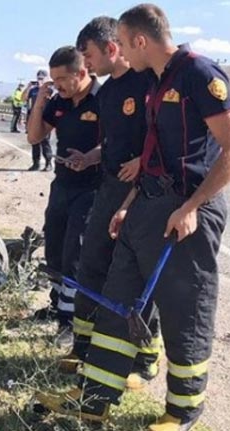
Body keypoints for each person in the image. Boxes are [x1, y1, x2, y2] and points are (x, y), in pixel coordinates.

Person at [36, 5, 230, 430]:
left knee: (185, 310)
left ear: (139, 41)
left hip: (188, 210)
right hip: (147, 204)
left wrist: (192, 207)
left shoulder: (200, 74)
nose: (118, 51)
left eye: (122, 43)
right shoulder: (159, 82)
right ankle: (95, 399)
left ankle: (181, 413)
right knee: (117, 299)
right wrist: (128, 204)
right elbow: (154, 154)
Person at [57, 16, 162, 390]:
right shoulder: (107, 93)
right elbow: (113, 142)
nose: (85, 65)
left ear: (112, 48)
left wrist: (143, 161)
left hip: (146, 192)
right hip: (110, 187)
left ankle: (145, 357)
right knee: (92, 264)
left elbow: (162, 135)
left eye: (87, 55)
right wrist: (91, 157)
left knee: (136, 276)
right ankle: (83, 345)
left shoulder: (148, 81)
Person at [27, 46, 101, 347]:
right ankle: (58, 303)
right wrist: (40, 102)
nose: (57, 85)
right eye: (53, 80)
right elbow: (35, 137)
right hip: (63, 184)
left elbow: (119, 143)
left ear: (81, 73)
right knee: (55, 247)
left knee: (74, 252)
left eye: (61, 79)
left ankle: (70, 321)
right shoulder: (59, 102)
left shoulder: (104, 100)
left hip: (92, 188)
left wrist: (90, 158)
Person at [23, 69, 54, 170]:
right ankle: (36, 163)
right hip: (34, 117)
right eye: (38, 78)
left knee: (45, 141)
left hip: (45, 117)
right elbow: (23, 98)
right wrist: (28, 87)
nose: (39, 80)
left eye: (42, 78)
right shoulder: (33, 90)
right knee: (34, 141)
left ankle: (48, 163)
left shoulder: (49, 89)